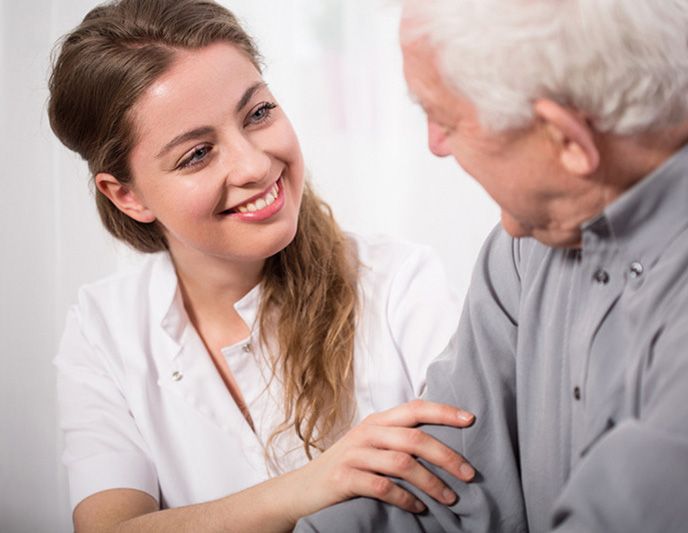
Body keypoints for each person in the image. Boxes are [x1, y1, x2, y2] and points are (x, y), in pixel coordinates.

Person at [48, 0, 478, 531]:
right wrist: (310, 485)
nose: (254, 164)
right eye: (197, 154)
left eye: (258, 113)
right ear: (127, 195)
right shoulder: (103, 328)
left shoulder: (401, 285)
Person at [295, 0, 688, 531]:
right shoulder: (527, 246)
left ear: (567, 140)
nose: (434, 145)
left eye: (445, 117)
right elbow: (435, 478)